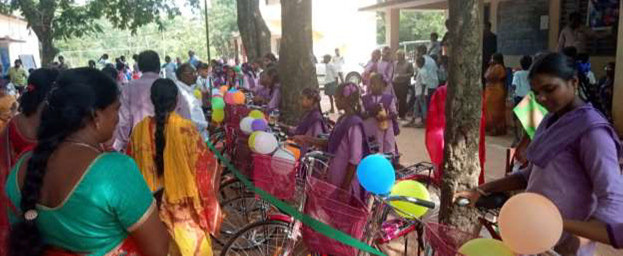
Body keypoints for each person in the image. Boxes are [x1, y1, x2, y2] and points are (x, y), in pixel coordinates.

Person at [456, 53, 623, 255]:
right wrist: (483, 189)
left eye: (550, 89)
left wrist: (577, 237)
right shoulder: (551, 120)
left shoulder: (592, 133)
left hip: (563, 244)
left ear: (574, 82)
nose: (542, 99)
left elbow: (612, 200)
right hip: (533, 233)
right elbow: (531, 175)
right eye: (536, 93)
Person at [5, 68, 170, 256]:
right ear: (96, 116)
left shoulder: (21, 167)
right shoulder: (114, 171)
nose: (118, 118)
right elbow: (158, 249)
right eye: (116, 109)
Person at [127, 78, 221, 256]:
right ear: (177, 100)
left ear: (152, 100)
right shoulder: (186, 129)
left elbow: (131, 168)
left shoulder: (139, 130)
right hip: (183, 210)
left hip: (150, 212)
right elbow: (204, 168)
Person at [293, 82, 368, 200]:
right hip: (335, 174)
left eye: (336, 97)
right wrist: (307, 139)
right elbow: (330, 141)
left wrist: (344, 188)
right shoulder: (342, 119)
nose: (335, 100)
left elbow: (355, 159)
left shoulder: (354, 124)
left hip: (345, 180)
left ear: (344, 99)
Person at [113, 50, 191, 151]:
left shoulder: (128, 88)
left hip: (141, 147)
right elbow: (185, 117)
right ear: (159, 66)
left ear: (140, 67)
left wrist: (120, 147)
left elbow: (123, 123)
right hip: (172, 145)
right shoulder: (171, 87)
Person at [362, 73, 398, 155]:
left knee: (386, 149)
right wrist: (371, 112)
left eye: (376, 84)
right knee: (371, 150)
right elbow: (362, 115)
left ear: (383, 85)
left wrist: (385, 117)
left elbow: (394, 114)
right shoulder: (364, 98)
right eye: (372, 83)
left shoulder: (388, 98)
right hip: (370, 129)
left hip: (385, 129)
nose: (373, 86)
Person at [175, 64, 209, 140]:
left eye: (196, 73)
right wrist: (206, 125)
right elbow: (187, 119)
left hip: (197, 134)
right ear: (182, 76)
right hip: (191, 136)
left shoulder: (188, 89)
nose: (196, 76)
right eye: (192, 73)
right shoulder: (181, 92)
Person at [484, 53, 507, 136]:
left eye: (492, 58)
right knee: (489, 110)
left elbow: (490, 76)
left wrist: (491, 65)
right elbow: (485, 75)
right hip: (490, 89)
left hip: (496, 90)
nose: (491, 60)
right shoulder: (492, 67)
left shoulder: (498, 67)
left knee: (495, 111)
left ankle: (496, 129)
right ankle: (491, 128)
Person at [511, 55, 533, 142]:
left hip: (519, 97)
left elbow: (514, 85)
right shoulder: (532, 74)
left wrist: (513, 92)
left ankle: (517, 137)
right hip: (529, 97)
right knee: (528, 118)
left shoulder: (517, 73)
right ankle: (526, 138)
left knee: (516, 118)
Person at [405, 57, 431, 128]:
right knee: (416, 106)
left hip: (421, 93)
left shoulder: (422, 71)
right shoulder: (422, 70)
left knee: (423, 107)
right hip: (419, 92)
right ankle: (413, 120)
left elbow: (424, 83)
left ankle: (425, 122)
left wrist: (422, 93)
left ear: (419, 63)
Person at [393, 50, 414, 120]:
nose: (398, 57)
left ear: (403, 56)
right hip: (395, 83)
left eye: (399, 55)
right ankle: (394, 113)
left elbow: (411, 73)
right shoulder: (394, 63)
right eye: (397, 55)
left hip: (404, 83)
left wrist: (402, 76)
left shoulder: (408, 64)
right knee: (395, 99)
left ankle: (402, 115)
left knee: (402, 100)